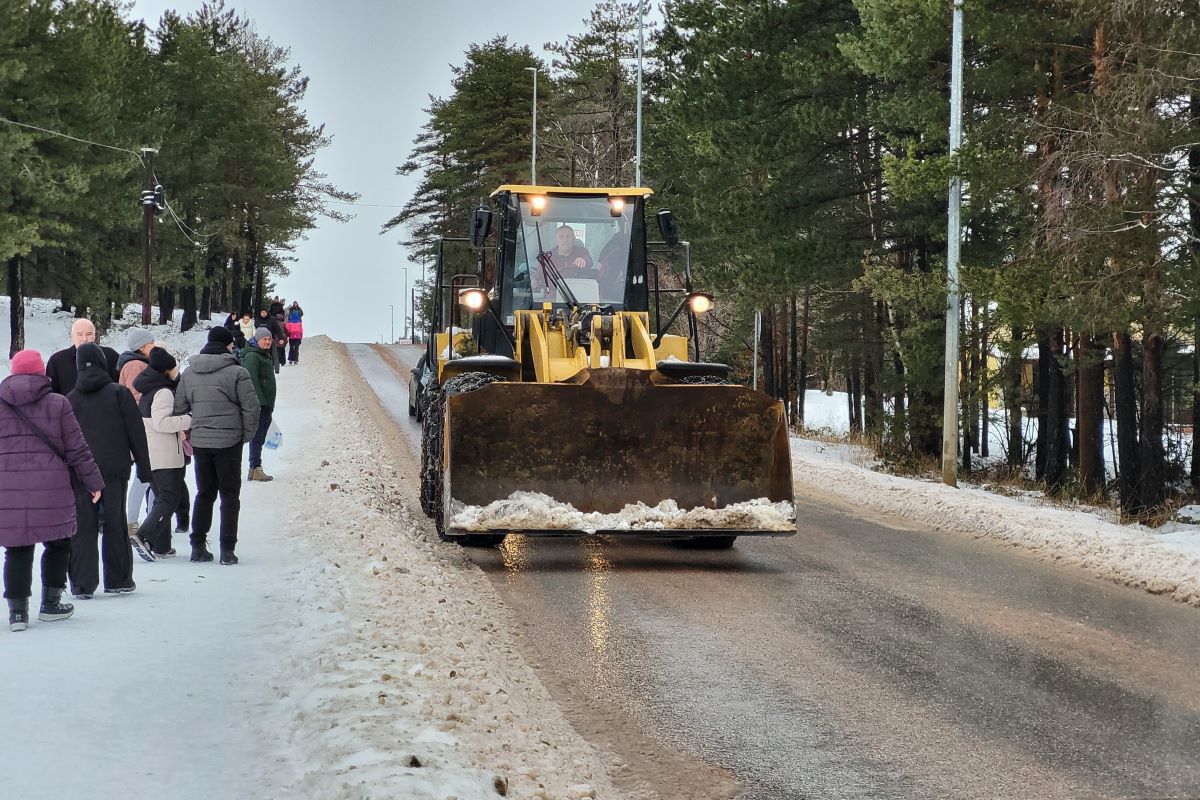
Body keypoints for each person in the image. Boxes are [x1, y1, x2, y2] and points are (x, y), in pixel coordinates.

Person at [0, 350, 104, 631]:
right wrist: (93, 482)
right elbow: (77, 449)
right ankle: (51, 604)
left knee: (17, 548)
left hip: (8, 488)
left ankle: (18, 613)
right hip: (52, 487)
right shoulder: (58, 403)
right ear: (40, 372)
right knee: (59, 542)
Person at [67, 344, 152, 595]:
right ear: (103, 363)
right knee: (115, 522)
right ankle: (118, 579)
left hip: (81, 472)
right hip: (115, 469)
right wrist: (145, 469)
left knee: (83, 526)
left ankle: (83, 583)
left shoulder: (71, 399)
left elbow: (66, 440)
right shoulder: (119, 394)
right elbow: (136, 433)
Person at [174, 326, 259, 565]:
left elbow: (179, 408)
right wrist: (245, 435)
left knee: (205, 493)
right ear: (228, 345)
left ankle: (197, 547)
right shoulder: (237, 372)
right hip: (229, 442)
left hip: (201, 442)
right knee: (230, 495)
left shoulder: (189, 374)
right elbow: (251, 408)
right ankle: (227, 550)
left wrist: (192, 434)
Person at [134, 348, 192, 558]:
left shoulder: (149, 388)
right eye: (174, 367)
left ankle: (161, 546)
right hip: (164, 453)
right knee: (168, 498)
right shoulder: (164, 392)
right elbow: (162, 422)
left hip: (151, 453)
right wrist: (189, 419)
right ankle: (143, 535)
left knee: (161, 497)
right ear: (167, 371)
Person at [119, 327, 157, 535]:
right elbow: (135, 396)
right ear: (142, 346)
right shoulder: (135, 364)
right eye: (151, 342)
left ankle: (148, 519)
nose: (155, 345)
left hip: (142, 425)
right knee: (146, 475)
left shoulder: (138, 362)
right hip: (142, 426)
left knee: (149, 476)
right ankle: (133, 521)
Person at [46, 318, 119, 395]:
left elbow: (120, 389)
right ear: (72, 336)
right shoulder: (57, 361)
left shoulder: (110, 356)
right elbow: (51, 396)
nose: (84, 339)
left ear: (94, 335)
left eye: (88, 334)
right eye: (80, 334)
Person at [242, 328, 277, 481]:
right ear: (257, 340)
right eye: (264, 339)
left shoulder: (263, 355)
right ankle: (255, 467)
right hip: (260, 405)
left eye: (269, 339)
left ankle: (254, 468)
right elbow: (252, 381)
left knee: (261, 436)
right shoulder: (252, 357)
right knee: (257, 436)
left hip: (266, 404)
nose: (268, 342)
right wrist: (261, 402)